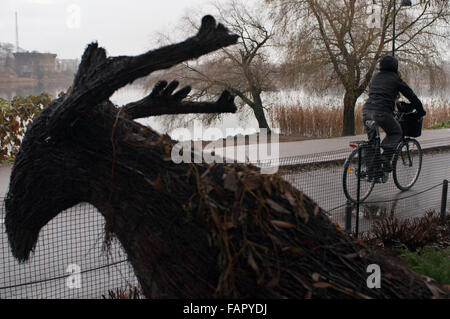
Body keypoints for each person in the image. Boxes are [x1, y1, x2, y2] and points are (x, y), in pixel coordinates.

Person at [362, 55, 426, 174]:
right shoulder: (395, 78)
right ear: (395, 66)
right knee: (396, 132)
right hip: (382, 112)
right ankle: (386, 157)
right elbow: (411, 95)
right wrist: (421, 111)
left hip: (366, 111)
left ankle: (372, 171)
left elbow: (379, 92)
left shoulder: (375, 77)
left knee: (373, 142)